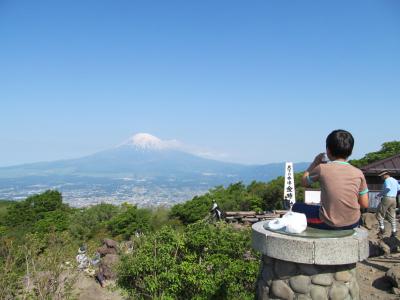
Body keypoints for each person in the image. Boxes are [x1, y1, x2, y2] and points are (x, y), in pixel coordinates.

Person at [293, 129, 369, 230]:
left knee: (296, 207)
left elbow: (304, 182)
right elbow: (364, 204)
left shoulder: (322, 168)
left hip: (328, 222)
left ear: (328, 150)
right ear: (350, 151)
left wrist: (315, 162)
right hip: (353, 222)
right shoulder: (358, 173)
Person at [375, 170, 400, 237]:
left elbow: (388, 188)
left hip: (387, 198)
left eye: (382, 176)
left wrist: (379, 195)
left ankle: (382, 229)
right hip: (394, 199)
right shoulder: (395, 180)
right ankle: (394, 231)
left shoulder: (387, 180)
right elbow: (398, 189)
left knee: (379, 213)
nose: (381, 177)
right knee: (392, 214)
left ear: (386, 175)